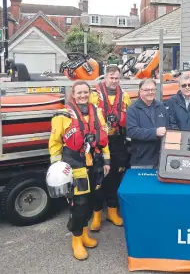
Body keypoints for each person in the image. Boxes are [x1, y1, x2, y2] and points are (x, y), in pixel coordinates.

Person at [49, 80, 110, 261]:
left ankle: (84, 234)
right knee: (79, 204)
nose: (83, 96)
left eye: (86, 92)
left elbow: (103, 139)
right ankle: (76, 239)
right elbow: (55, 143)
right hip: (75, 166)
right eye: (79, 93)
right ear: (73, 95)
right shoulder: (62, 115)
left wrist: (106, 161)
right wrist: (57, 167)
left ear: (90, 93)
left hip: (95, 165)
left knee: (91, 201)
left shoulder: (97, 112)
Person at [89, 65, 132, 231]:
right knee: (98, 179)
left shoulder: (125, 96)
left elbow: (128, 117)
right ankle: (97, 215)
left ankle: (112, 212)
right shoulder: (93, 95)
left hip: (117, 141)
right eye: (111, 77)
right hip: (99, 143)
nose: (114, 81)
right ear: (105, 78)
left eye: (116, 78)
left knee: (114, 177)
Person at [126, 79, 168, 168]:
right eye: (147, 90)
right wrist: (155, 132)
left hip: (161, 159)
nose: (150, 92)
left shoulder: (161, 107)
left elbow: (168, 126)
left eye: (153, 90)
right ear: (140, 91)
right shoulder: (133, 109)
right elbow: (132, 131)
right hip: (141, 159)